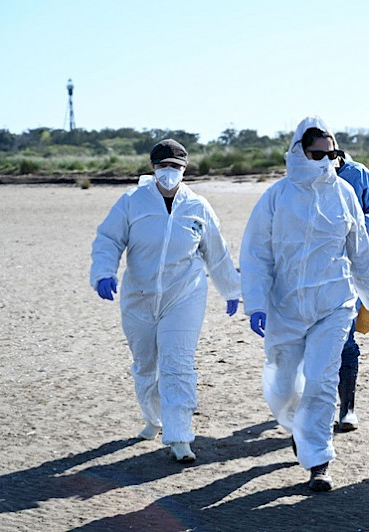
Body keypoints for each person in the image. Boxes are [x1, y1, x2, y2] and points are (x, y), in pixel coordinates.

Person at [239, 116, 369, 492]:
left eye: (331, 154)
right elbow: (256, 253)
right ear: (298, 151)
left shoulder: (344, 195)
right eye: (316, 153)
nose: (324, 160)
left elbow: (359, 256)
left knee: (321, 380)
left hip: (334, 306)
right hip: (285, 307)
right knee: (284, 386)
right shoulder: (276, 197)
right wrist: (256, 302)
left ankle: (319, 461)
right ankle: (296, 426)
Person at [90, 139, 241, 463]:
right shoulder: (132, 202)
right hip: (139, 297)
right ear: (153, 167)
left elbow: (216, 252)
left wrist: (231, 289)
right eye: (163, 166)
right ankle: (153, 418)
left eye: (175, 166)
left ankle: (180, 436)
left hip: (184, 295)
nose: (169, 172)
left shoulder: (198, 206)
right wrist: (104, 271)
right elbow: (108, 239)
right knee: (146, 365)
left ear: (184, 169)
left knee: (178, 365)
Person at [334, 151, 369, 432]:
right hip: (314, 273)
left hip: (353, 265)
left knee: (346, 342)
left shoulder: (358, 173)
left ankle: (347, 408)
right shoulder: (304, 176)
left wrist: (362, 224)